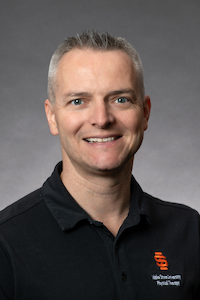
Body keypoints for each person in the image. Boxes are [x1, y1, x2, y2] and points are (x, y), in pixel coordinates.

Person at [0, 30, 199, 300]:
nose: (102, 119)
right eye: (78, 101)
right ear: (52, 117)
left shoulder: (189, 231)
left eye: (120, 99)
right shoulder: (6, 241)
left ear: (145, 113)